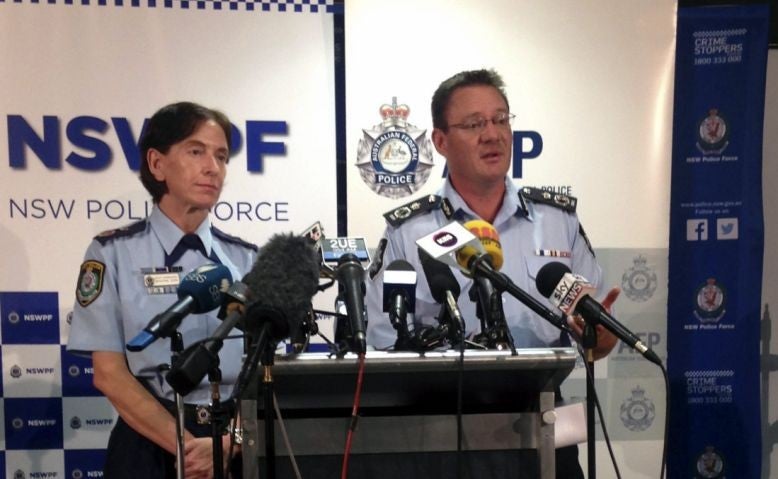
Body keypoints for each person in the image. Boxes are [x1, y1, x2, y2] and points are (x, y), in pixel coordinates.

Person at [365, 69, 620, 478]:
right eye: (474, 124)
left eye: (501, 120)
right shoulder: (409, 231)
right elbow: (382, 342)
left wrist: (599, 337)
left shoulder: (556, 220)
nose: (493, 134)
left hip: (543, 428)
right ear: (441, 142)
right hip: (443, 437)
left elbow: (591, 329)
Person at [67, 102, 257, 479]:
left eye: (221, 156)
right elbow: (108, 374)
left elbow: (267, 370)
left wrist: (231, 441)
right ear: (156, 164)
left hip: (235, 442)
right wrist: (187, 447)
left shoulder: (247, 259)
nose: (212, 168)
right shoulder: (112, 253)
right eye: (196, 151)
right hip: (148, 443)